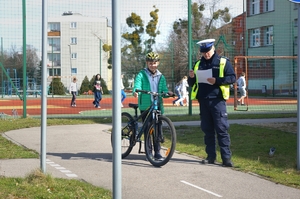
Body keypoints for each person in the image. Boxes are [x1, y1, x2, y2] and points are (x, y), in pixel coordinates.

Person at [188, 38, 236, 167]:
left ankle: (226, 158)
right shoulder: (198, 64)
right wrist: (191, 78)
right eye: (203, 52)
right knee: (207, 130)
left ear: (213, 49)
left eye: (208, 51)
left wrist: (217, 81)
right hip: (203, 101)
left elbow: (232, 77)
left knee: (221, 129)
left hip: (217, 101)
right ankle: (211, 157)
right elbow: (192, 84)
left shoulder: (223, 62)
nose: (206, 54)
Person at [133, 52, 174, 161]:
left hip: (158, 105)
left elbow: (164, 89)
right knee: (147, 129)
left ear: (158, 63)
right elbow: (137, 84)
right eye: (150, 63)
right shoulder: (142, 74)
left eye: (155, 63)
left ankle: (157, 152)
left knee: (157, 129)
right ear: (147, 63)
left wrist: (167, 93)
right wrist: (136, 91)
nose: (153, 65)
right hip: (146, 105)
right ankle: (148, 152)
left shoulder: (161, 76)